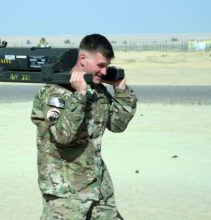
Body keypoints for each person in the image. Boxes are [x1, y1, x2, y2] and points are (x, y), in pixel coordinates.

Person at [31, 34, 137, 219]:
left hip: (99, 188)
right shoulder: (54, 92)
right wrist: (79, 96)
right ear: (82, 59)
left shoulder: (97, 91)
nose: (104, 72)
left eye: (106, 66)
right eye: (100, 66)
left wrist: (121, 90)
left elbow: (117, 125)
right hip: (66, 193)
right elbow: (63, 136)